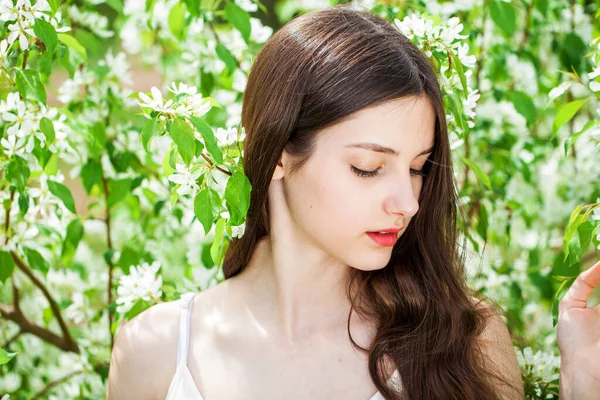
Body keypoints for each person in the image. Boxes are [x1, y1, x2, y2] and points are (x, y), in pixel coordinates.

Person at [106, 5, 600, 400]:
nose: (406, 202)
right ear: (277, 154)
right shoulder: (157, 352)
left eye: (417, 167)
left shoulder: (463, 339)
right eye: (367, 167)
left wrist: (582, 389)